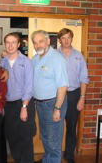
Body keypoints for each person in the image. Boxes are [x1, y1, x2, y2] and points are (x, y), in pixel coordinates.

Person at [31, 30, 69, 163]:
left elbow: (63, 87)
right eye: (35, 43)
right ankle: (48, 159)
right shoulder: (35, 58)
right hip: (40, 104)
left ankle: (53, 160)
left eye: (41, 41)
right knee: (46, 137)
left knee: (53, 140)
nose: (38, 45)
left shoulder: (57, 59)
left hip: (53, 103)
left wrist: (57, 108)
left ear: (48, 41)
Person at [0, 33, 36, 163]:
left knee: (25, 138)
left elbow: (29, 86)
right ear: (5, 44)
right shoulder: (1, 63)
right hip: (8, 106)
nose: (10, 45)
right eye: (8, 42)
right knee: (12, 137)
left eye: (13, 42)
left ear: (19, 44)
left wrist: (24, 107)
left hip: (24, 103)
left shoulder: (26, 62)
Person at [57, 28, 89, 163]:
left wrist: (82, 98)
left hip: (73, 95)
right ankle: (55, 155)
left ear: (72, 38)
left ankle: (69, 155)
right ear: (59, 40)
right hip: (57, 95)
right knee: (56, 127)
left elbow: (84, 78)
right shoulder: (53, 54)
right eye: (63, 38)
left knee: (71, 127)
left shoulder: (79, 56)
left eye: (68, 37)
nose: (66, 40)